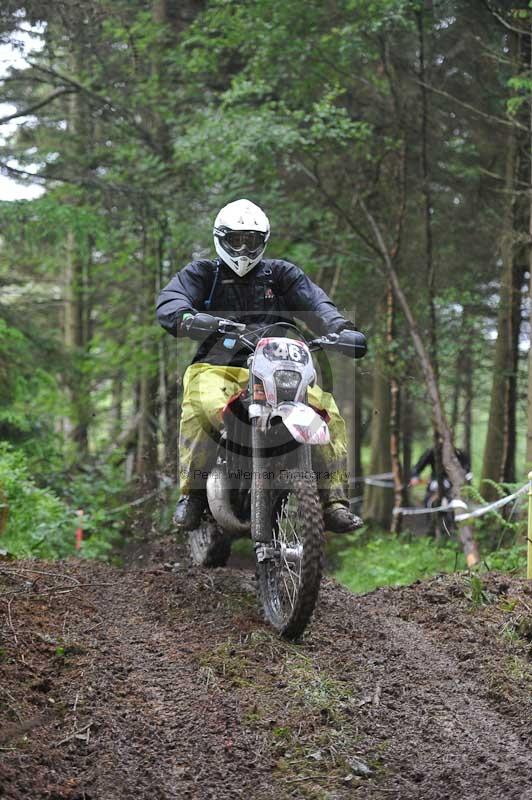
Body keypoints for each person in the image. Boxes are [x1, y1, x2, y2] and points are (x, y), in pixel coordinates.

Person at [156, 198, 364, 533]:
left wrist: (339, 328)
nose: (242, 248)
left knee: (328, 411)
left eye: (250, 240)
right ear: (221, 239)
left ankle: (333, 502)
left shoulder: (281, 275)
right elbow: (172, 300)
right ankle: (192, 494)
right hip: (217, 368)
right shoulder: (203, 274)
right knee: (202, 405)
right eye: (235, 240)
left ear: (262, 242)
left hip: (279, 365)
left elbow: (316, 301)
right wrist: (186, 317)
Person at [409, 441, 471, 507]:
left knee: (454, 499)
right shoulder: (432, 452)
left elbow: (466, 467)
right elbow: (418, 467)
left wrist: (466, 475)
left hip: (450, 482)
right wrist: (415, 476)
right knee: (428, 498)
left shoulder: (457, 453)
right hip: (434, 480)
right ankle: (429, 510)